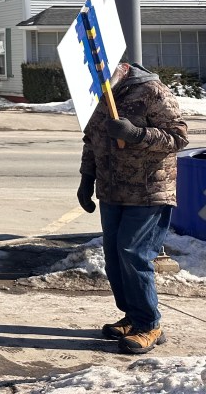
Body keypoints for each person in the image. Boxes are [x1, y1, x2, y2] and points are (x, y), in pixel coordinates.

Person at [77, 61, 188, 354]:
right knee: (114, 257)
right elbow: (91, 140)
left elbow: (178, 137)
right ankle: (133, 316)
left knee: (133, 253)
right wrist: (86, 178)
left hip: (148, 191)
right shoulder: (99, 95)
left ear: (122, 67)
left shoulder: (152, 90)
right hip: (112, 192)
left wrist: (137, 134)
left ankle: (149, 324)